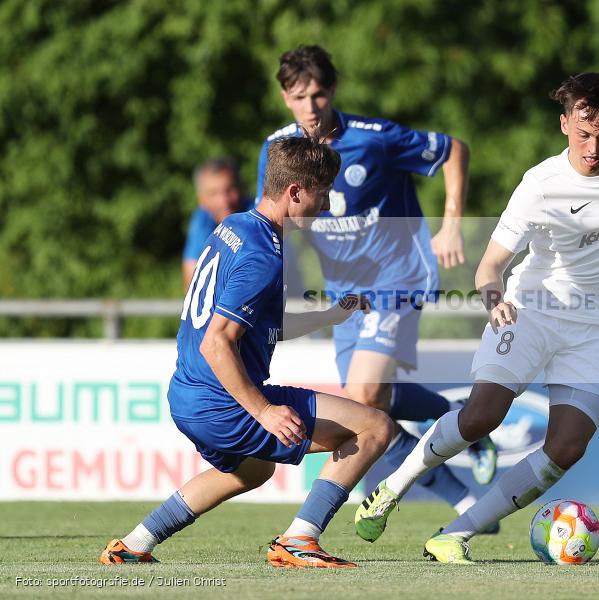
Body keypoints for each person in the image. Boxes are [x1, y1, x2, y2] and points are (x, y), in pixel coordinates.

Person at [354, 70, 599, 563]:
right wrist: (493, 297)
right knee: (483, 416)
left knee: (566, 448)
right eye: (584, 133)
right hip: (531, 311)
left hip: (595, 329)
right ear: (564, 123)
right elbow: (490, 264)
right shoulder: (540, 185)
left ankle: (453, 534)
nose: (594, 146)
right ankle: (393, 487)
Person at [100, 136, 393, 569]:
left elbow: (258, 327)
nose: (326, 205)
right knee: (373, 428)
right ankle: (300, 540)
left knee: (251, 470)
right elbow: (216, 341)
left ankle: (134, 544)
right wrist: (263, 411)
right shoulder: (264, 256)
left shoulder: (235, 227)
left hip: (188, 396)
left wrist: (329, 316)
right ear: (295, 191)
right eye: (322, 193)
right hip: (223, 402)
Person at [255, 45, 497, 532]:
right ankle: (467, 448)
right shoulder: (277, 149)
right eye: (300, 97)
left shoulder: (374, 139)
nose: (311, 107)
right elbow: (277, 217)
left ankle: (314, 527)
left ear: (333, 92)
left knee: (364, 397)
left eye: (319, 94)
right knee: (371, 409)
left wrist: (451, 225)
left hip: (398, 277)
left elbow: (454, 149)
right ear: (285, 98)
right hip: (344, 294)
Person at [182, 158, 247, 288]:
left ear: (241, 188)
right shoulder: (201, 220)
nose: (224, 201)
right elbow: (191, 281)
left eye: (230, 190)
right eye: (213, 193)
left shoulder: (258, 213)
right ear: (201, 199)